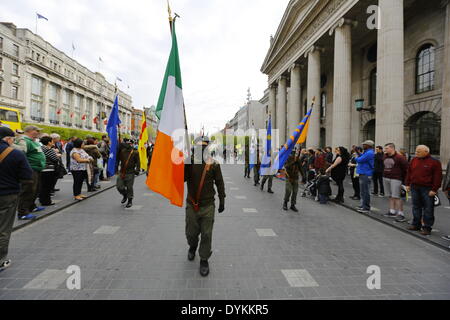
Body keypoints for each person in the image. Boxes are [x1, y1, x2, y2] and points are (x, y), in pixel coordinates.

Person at [185, 136, 225, 277]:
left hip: (208, 205)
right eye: (199, 146)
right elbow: (181, 178)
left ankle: (203, 259)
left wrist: (222, 200)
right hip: (192, 204)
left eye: (204, 147)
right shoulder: (188, 163)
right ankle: (192, 246)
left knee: (207, 234)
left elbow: (219, 183)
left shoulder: (214, 164)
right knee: (191, 233)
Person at [0, 127, 33, 271]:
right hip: (7, 194)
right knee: (3, 228)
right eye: (13, 139)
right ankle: (1, 260)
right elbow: (27, 175)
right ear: (7, 139)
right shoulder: (15, 153)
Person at [405, 145, 442, 236]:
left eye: (418, 151)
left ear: (426, 152)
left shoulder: (434, 162)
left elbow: (438, 177)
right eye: (416, 151)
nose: (416, 153)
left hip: (427, 188)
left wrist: (434, 189)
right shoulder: (414, 160)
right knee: (416, 206)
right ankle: (416, 224)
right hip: (414, 186)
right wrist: (407, 184)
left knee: (428, 208)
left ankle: (427, 228)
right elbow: (409, 172)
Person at [14, 125, 46, 220]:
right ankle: (22, 212)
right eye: (37, 130)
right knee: (27, 190)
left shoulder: (33, 141)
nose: (39, 132)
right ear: (30, 131)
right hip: (30, 169)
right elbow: (21, 153)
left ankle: (31, 206)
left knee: (35, 189)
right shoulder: (24, 140)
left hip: (36, 169)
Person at [382, 143, 409, 222]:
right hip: (386, 177)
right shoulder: (384, 156)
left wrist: (405, 181)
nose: (385, 150)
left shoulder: (400, 158)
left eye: (386, 148)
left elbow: (406, 169)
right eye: (385, 148)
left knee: (396, 196)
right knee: (390, 196)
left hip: (396, 179)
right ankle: (392, 211)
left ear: (392, 148)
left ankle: (400, 214)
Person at [116, 138, 140, 208]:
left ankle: (130, 200)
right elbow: (117, 158)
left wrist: (137, 170)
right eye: (126, 143)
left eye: (129, 144)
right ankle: (125, 195)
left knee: (129, 187)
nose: (128, 145)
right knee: (119, 186)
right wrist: (118, 148)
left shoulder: (135, 152)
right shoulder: (122, 151)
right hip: (122, 172)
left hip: (130, 172)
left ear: (132, 144)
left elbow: (138, 162)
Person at [38, 136, 60, 206]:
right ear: (49, 142)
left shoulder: (41, 148)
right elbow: (55, 159)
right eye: (52, 141)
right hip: (48, 169)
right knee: (47, 186)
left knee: (43, 185)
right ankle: (46, 201)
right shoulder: (48, 149)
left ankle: (42, 200)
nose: (53, 143)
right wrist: (58, 155)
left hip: (42, 168)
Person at [355, 140, 375, 213]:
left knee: (365, 191)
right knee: (363, 191)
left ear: (368, 145)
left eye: (364, 145)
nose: (363, 146)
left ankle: (366, 207)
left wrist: (355, 157)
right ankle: (363, 205)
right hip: (363, 172)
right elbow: (362, 157)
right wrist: (357, 152)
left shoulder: (369, 153)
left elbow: (360, 160)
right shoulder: (367, 152)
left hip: (366, 173)